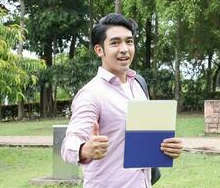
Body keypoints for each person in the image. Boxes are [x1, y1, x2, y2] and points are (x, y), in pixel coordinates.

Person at [61, 13, 183, 188]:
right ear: (99, 50)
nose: (124, 49)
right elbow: (69, 144)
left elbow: (143, 141)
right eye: (115, 42)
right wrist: (83, 149)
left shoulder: (139, 85)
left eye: (129, 41)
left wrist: (169, 147)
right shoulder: (91, 93)